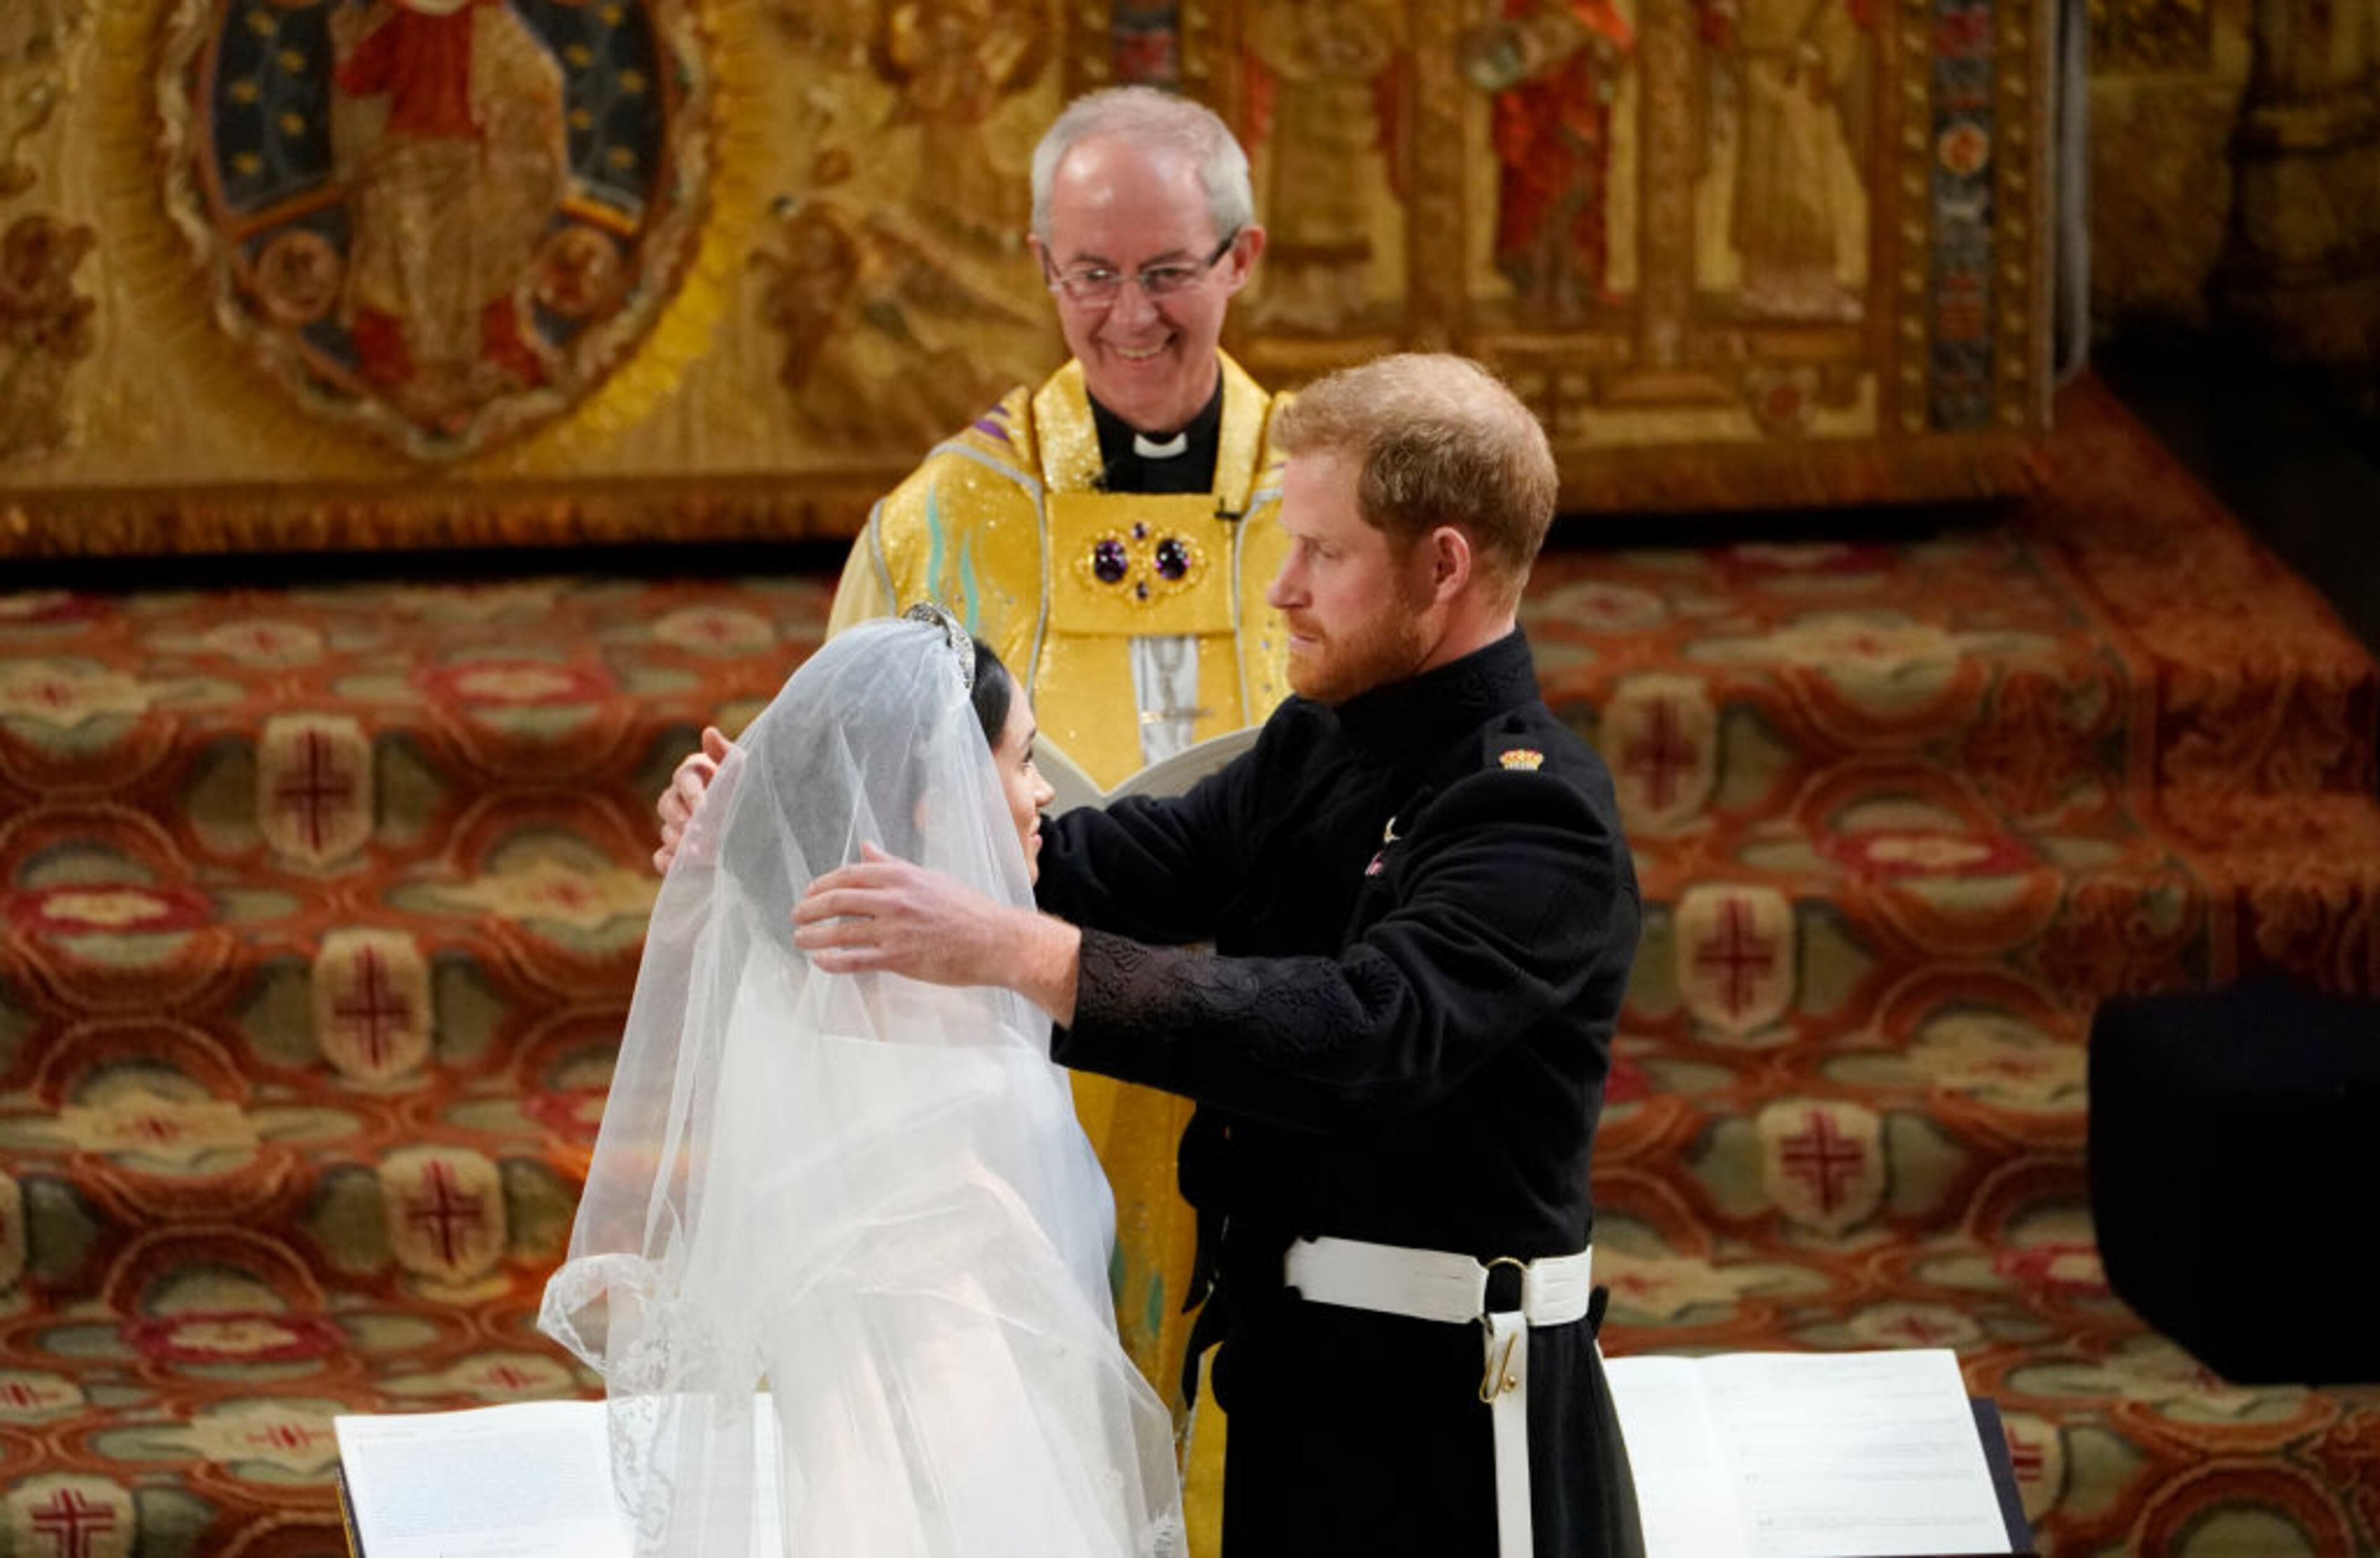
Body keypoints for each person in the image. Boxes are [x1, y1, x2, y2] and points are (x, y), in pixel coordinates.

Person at [793, 355, 1646, 1558]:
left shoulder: (1531, 814)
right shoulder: (1318, 748)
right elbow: (1100, 865)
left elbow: (1364, 1033)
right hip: (1287, 1390)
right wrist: (776, 834)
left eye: (1324, 555)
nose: (1283, 591)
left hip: (1453, 1422)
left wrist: (1029, 956)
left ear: (1444, 566)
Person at [656, 84, 1287, 1439]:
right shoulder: (943, 516)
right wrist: (736, 821)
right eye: (1091, 275)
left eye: (1168, 273)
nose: (1129, 315)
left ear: (1243, 259)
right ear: (1042, 268)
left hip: (1273, 1062)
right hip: (1012, 1081)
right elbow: (837, 803)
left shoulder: (1331, 499)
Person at [544, 609, 1184, 1557]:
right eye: (1023, 760)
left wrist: (748, 822)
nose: (1043, 792)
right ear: (941, 794)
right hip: (964, 1414)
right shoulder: (948, 1000)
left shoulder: (804, 969)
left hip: (863, 1419)